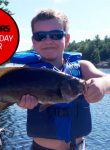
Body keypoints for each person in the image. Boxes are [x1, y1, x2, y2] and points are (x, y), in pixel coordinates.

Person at [17, 9, 110, 150]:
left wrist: (102, 84)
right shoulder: (27, 71)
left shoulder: (82, 67)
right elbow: (12, 92)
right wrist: (20, 102)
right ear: (34, 42)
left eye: (56, 35)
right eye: (40, 36)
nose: (48, 40)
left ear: (66, 39)